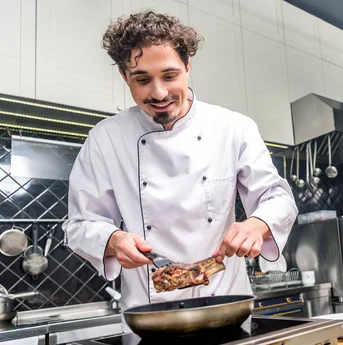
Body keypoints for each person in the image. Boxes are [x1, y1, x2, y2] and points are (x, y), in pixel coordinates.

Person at [63, 11, 298, 311]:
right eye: (142, 80)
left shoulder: (233, 127)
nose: (158, 93)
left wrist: (258, 223)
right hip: (150, 314)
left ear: (188, 66)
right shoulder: (105, 138)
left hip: (227, 302)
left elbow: (278, 197)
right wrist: (112, 239)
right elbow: (79, 225)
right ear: (124, 76)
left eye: (170, 76)